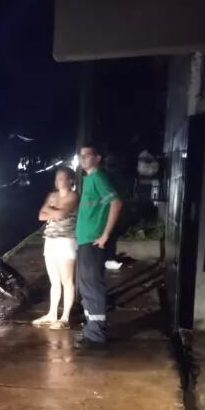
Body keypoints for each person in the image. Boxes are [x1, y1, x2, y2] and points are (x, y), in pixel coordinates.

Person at [75, 145, 123, 344]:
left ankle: (96, 334)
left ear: (98, 158)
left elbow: (116, 202)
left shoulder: (98, 178)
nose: (83, 158)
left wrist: (105, 235)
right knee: (85, 285)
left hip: (93, 240)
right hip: (85, 240)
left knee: (92, 286)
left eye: (88, 155)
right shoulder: (89, 180)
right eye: (81, 156)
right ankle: (91, 329)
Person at [33, 166, 79, 329]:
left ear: (70, 180)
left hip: (66, 240)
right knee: (54, 281)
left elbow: (61, 214)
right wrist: (54, 209)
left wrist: (51, 209)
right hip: (50, 239)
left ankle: (65, 317)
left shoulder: (73, 196)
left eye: (62, 178)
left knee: (67, 280)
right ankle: (52, 314)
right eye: (57, 178)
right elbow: (41, 215)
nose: (58, 181)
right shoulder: (52, 195)